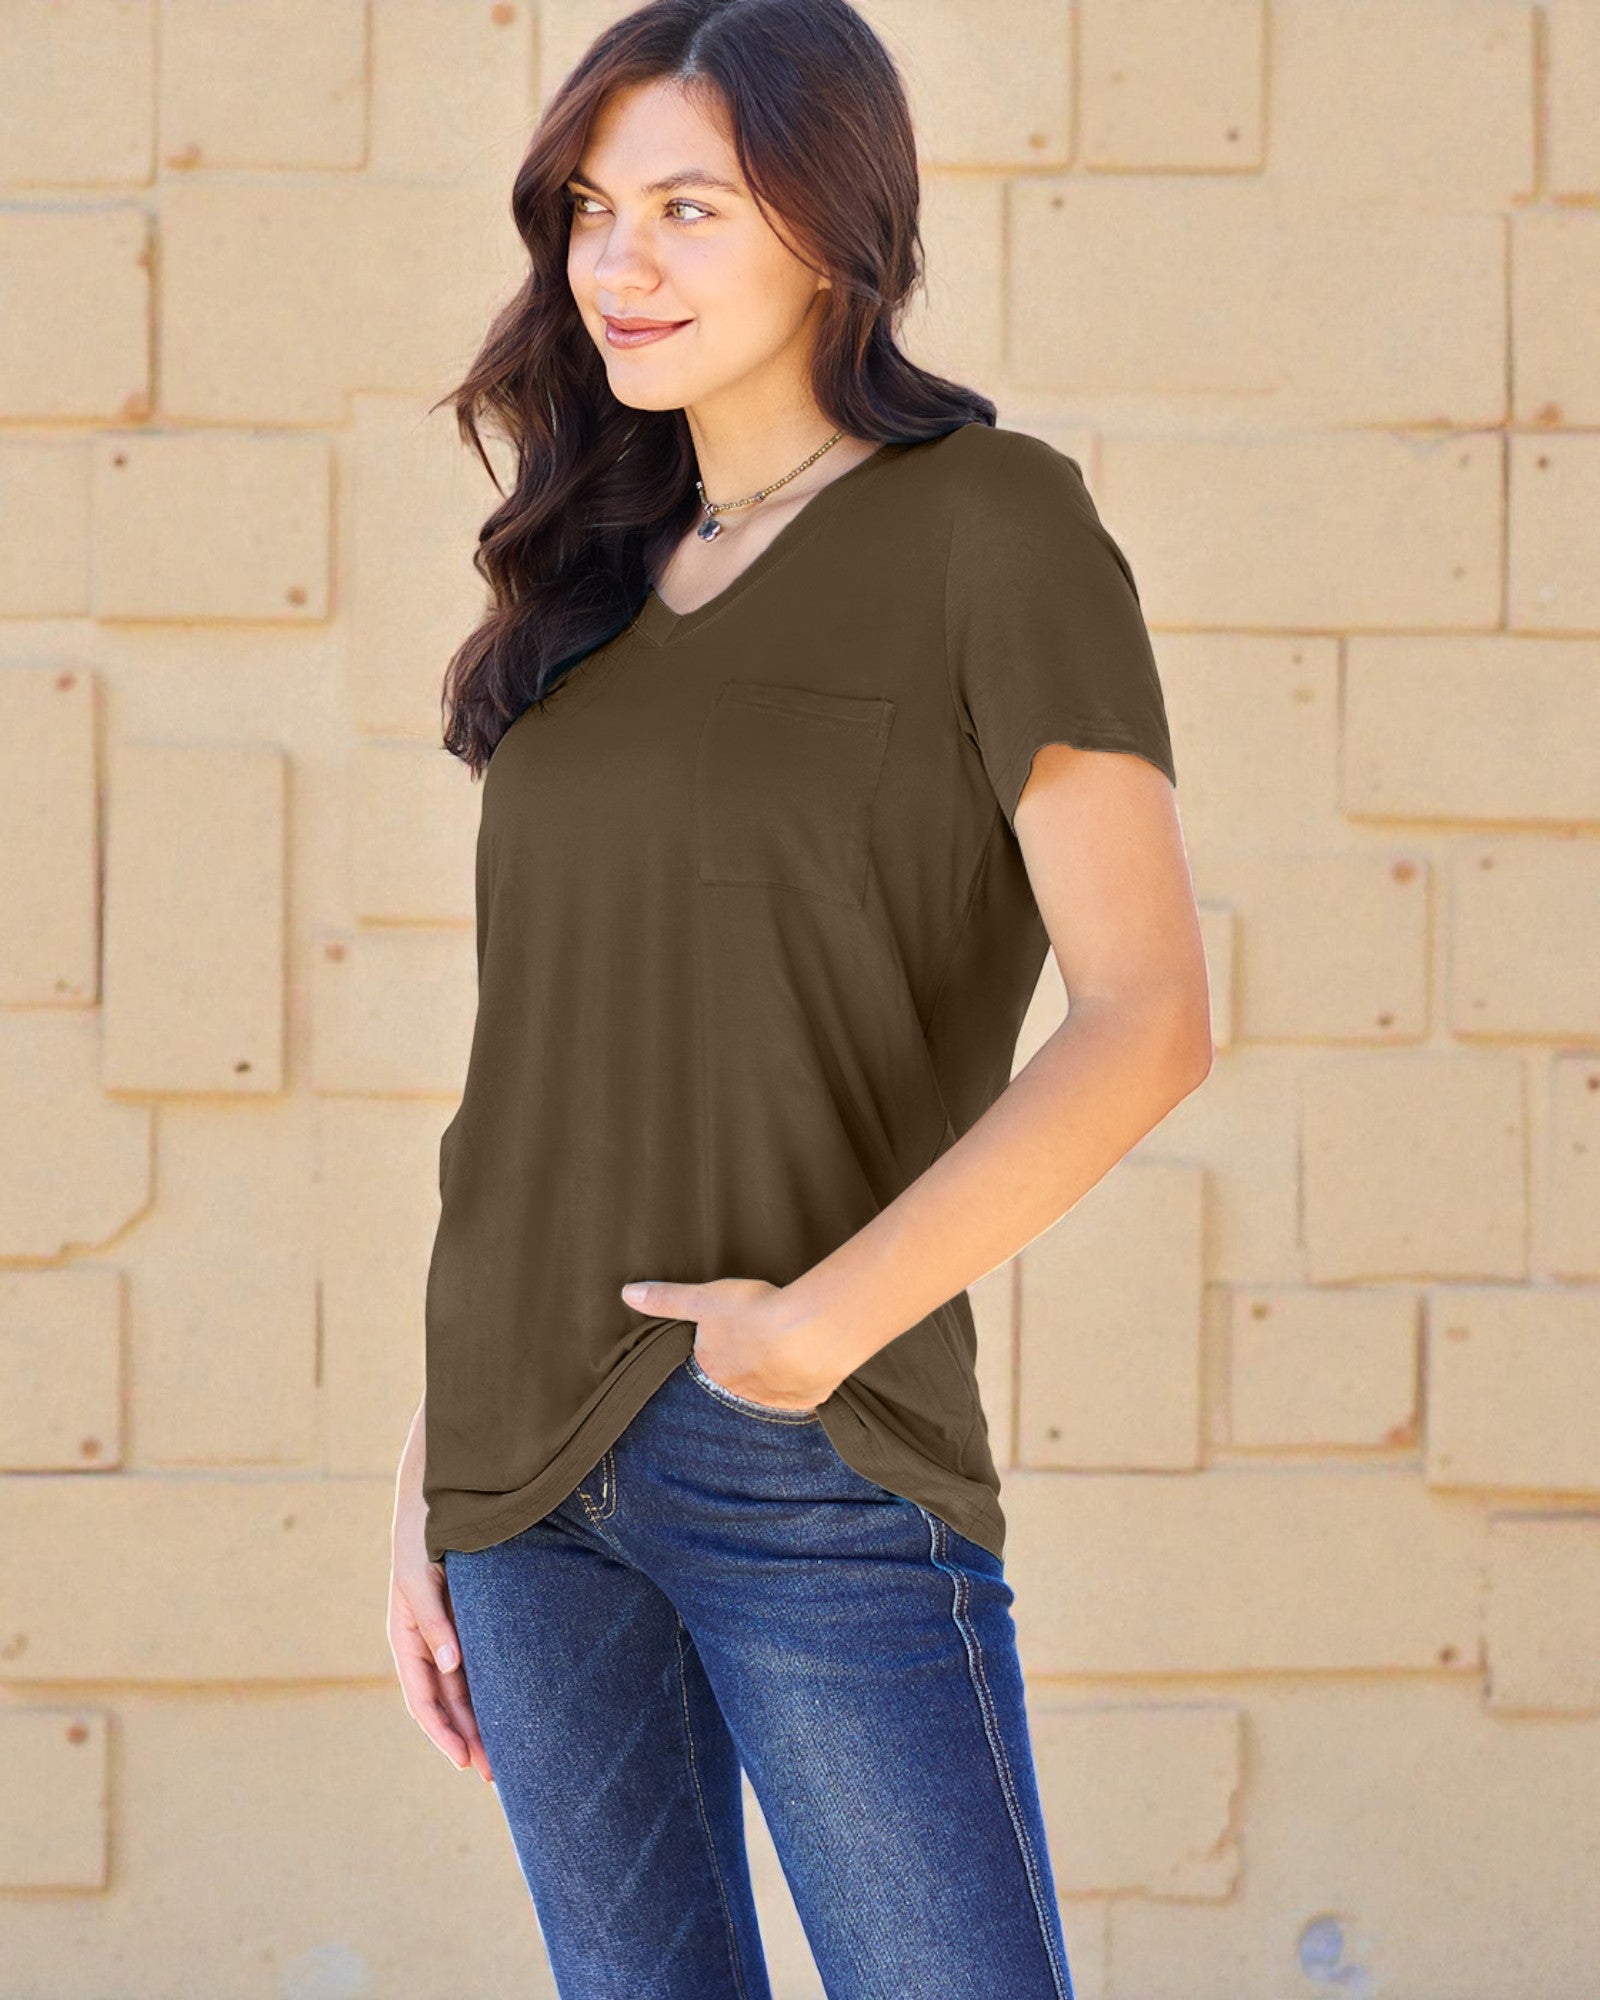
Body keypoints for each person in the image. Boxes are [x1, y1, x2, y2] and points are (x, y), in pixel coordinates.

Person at [387, 2, 1211, 1995]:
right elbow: (541, 1076)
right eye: (590, 209)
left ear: (831, 227)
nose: (617, 262)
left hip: (799, 1434)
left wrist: (818, 1326)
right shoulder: (582, 581)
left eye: (684, 205)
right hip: (515, 1463)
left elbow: (1146, 1013)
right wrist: (422, 1472)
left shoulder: (985, 523)